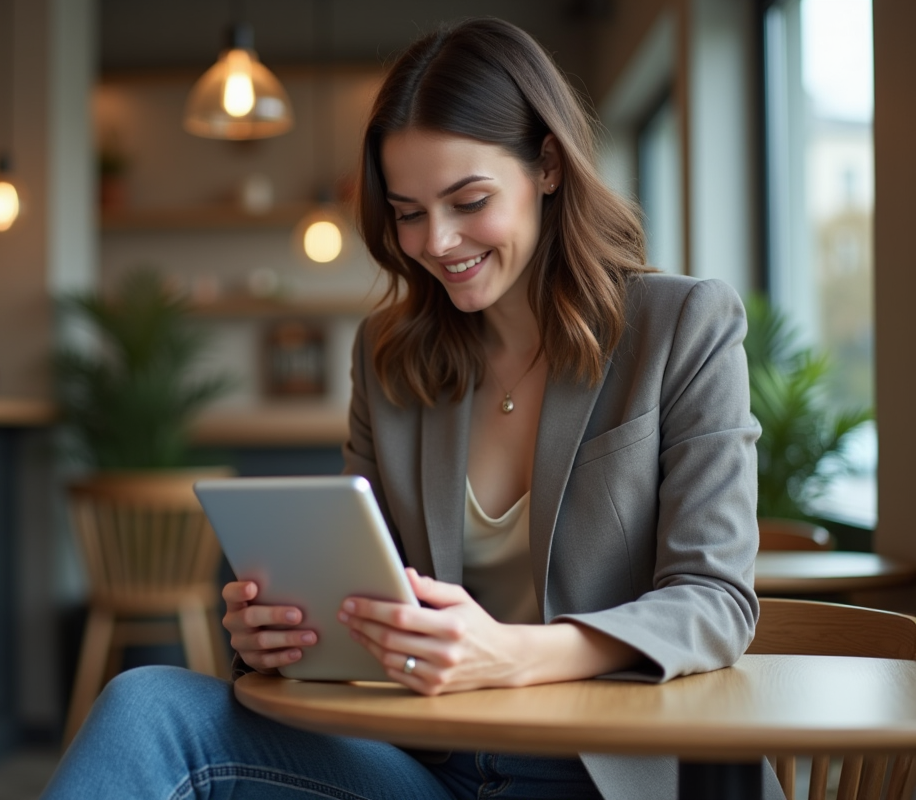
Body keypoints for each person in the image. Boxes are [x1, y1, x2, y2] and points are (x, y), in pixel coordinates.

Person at [42, 17, 777, 800]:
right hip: (432, 767)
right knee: (146, 705)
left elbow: (716, 599)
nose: (438, 241)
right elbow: (371, 596)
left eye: (469, 201)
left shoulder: (682, 326)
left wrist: (514, 652)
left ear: (549, 167)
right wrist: (283, 637)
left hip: (605, 773)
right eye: (408, 211)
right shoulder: (389, 358)